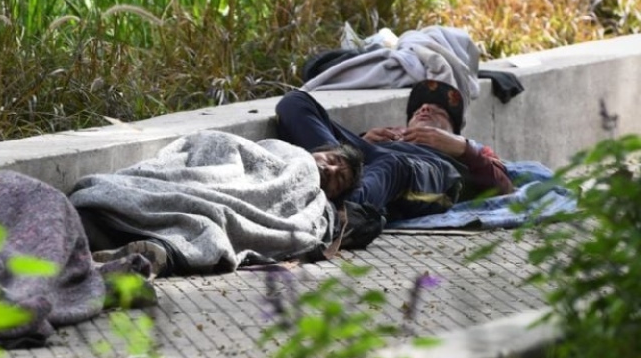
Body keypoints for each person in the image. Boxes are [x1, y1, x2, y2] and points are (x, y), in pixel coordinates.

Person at [70, 130, 364, 277]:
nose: (330, 170)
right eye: (334, 160)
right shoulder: (286, 149)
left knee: (213, 216)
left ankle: (152, 252)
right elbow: (225, 149)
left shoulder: (316, 200)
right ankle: (121, 233)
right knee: (170, 187)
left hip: (229, 200)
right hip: (213, 172)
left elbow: (292, 219)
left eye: (339, 180)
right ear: (324, 149)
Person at [275, 79, 514, 227]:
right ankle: (327, 169)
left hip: (429, 172)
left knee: (395, 164)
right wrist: (354, 148)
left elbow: (504, 186)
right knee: (296, 102)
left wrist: (461, 147)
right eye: (419, 109)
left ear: (454, 128)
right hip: (371, 159)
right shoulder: (390, 134)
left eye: (439, 111)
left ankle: (342, 216)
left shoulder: (465, 147)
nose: (426, 108)